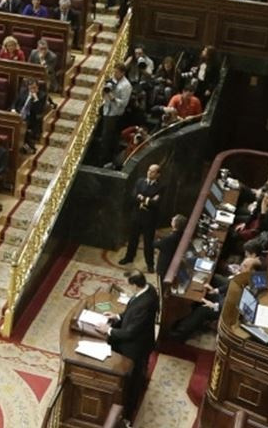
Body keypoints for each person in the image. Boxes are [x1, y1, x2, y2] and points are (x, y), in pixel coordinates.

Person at [96, 270, 158, 417]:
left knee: (132, 381)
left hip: (136, 346)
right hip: (140, 337)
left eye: (128, 284)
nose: (127, 287)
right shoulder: (149, 288)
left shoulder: (144, 304)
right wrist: (117, 316)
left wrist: (108, 330)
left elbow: (130, 333)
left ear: (135, 285)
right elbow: (132, 312)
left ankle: (127, 411)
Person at [118, 164, 164, 273]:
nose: (149, 173)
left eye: (152, 171)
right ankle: (129, 257)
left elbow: (155, 203)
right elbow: (134, 196)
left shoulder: (160, 187)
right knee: (132, 239)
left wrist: (142, 198)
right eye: (149, 170)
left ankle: (150, 264)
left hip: (149, 219)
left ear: (158, 174)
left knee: (148, 242)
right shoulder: (140, 181)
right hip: (137, 215)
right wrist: (147, 200)